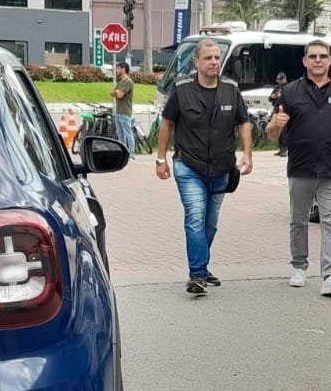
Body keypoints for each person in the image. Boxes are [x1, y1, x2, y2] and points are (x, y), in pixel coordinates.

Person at [267, 39, 331, 298]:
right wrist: (276, 125)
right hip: (301, 168)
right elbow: (270, 135)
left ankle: (330, 276)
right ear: (304, 61)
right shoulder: (290, 92)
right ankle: (299, 267)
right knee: (298, 221)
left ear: (330, 60)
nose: (318, 60)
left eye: (323, 56)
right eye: (312, 56)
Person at [154, 39, 254, 295]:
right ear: (196, 62)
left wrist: (248, 154)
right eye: (208, 58)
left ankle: (202, 265)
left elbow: (243, 123)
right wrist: (161, 158)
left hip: (221, 167)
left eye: (217, 58)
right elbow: (167, 124)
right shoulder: (182, 89)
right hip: (189, 166)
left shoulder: (231, 89)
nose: (214, 62)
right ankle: (197, 274)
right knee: (195, 218)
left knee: (210, 224)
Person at [112, 62, 136, 158]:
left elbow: (120, 95)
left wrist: (117, 92)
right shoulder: (120, 82)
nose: (116, 70)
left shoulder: (128, 82)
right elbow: (113, 93)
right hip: (117, 112)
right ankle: (123, 152)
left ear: (123, 69)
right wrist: (116, 92)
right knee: (120, 134)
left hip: (125, 112)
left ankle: (131, 154)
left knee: (128, 133)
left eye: (118, 68)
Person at [269, 72, 289, 157]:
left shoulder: (288, 87)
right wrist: (272, 96)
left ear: (284, 79)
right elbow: (270, 98)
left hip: (284, 110)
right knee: (278, 130)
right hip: (276, 110)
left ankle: (285, 149)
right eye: (278, 80)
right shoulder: (277, 88)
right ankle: (280, 148)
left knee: (284, 130)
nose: (279, 82)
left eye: (280, 80)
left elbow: (289, 98)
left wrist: (281, 95)